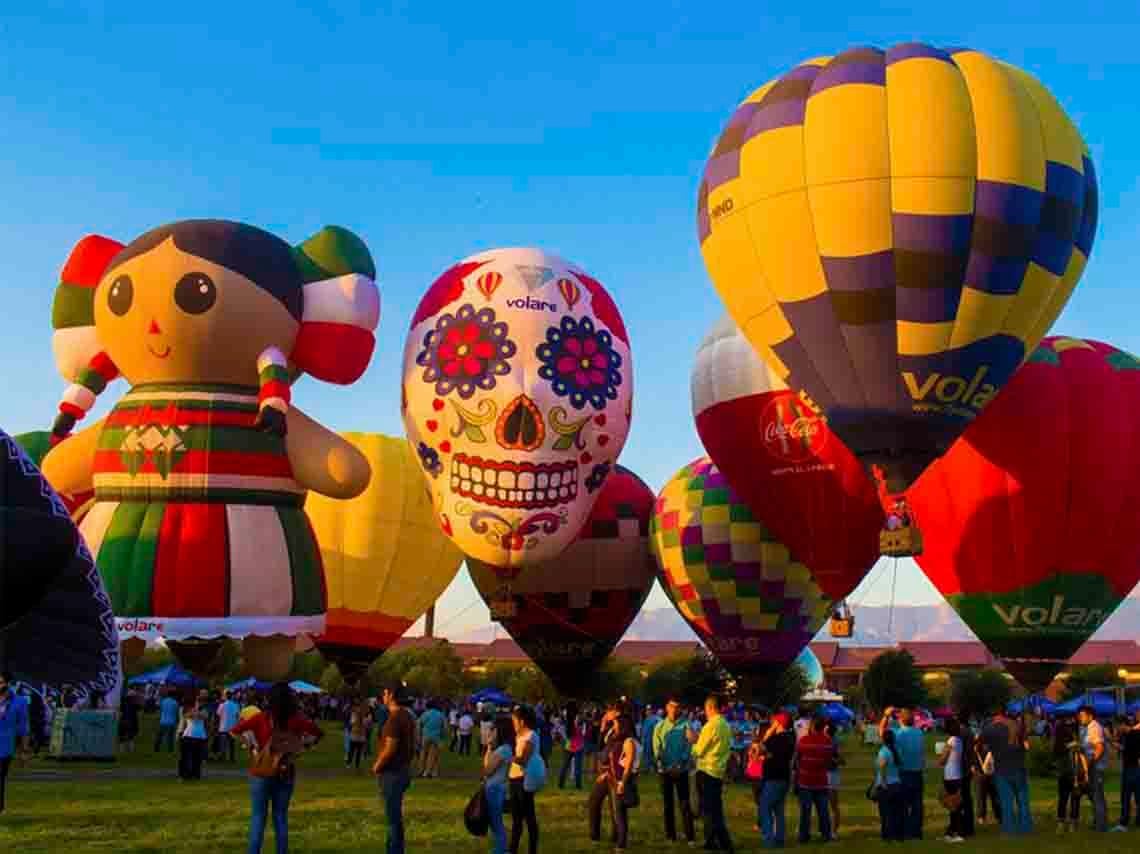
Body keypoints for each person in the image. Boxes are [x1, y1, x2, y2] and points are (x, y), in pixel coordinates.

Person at [231, 682, 323, 854]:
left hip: (261, 771)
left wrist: (251, 747)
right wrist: (303, 748)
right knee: (280, 817)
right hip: (285, 770)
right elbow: (318, 733)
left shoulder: (261, 717)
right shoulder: (296, 719)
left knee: (258, 817)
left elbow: (234, 731)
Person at [372, 684, 416, 854]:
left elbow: (390, 747)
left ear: (391, 695)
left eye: (384, 693)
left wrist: (377, 765)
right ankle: (397, 849)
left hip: (392, 772)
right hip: (403, 769)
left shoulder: (395, 718)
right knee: (395, 817)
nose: (382, 696)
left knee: (393, 818)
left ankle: (394, 850)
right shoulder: (408, 715)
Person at [688, 693, 735, 853]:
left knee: (713, 812)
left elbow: (699, 751)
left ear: (709, 707)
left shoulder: (710, 725)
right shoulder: (725, 725)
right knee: (711, 810)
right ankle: (710, 841)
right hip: (718, 771)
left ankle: (725, 844)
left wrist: (693, 741)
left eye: (705, 708)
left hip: (707, 771)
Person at [981, 708, 1031, 835]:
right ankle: (1025, 828)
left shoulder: (989, 729)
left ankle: (1009, 829)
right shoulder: (1018, 726)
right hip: (1018, 767)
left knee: (1006, 802)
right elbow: (1026, 746)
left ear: (995, 716)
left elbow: (983, 745)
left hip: (1001, 769)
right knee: (1023, 801)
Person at [653, 697, 695, 844]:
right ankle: (670, 835)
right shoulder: (659, 726)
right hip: (665, 771)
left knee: (684, 803)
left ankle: (690, 836)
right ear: (667, 707)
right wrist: (664, 765)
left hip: (681, 770)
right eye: (672, 706)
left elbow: (688, 746)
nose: (675, 710)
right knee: (668, 804)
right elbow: (657, 748)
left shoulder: (686, 724)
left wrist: (680, 763)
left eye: (678, 707)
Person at [881, 707, 926, 840]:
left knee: (903, 805)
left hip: (903, 772)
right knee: (917, 804)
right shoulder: (919, 733)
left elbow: (882, 733)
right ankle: (916, 832)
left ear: (900, 719)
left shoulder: (898, 734)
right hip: (917, 772)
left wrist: (886, 716)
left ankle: (904, 831)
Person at [758, 711, 795, 848]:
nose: (771, 723)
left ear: (778, 723)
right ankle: (780, 839)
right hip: (784, 777)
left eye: (774, 721)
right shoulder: (790, 738)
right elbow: (772, 755)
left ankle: (769, 840)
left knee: (765, 808)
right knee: (779, 810)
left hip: (773, 778)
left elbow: (759, 747)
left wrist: (768, 733)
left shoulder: (775, 739)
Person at [795, 715, 833, 844]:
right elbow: (828, 761)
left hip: (805, 780)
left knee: (805, 811)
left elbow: (798, 758)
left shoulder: (804, 740)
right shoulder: (827, 741)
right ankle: (826, 834)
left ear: (811, 726)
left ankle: (804, 835)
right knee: (823, 810)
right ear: (823, 727)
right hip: (821, 780)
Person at [508, 704, 540, 854]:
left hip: (524, 780)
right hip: (514, 778)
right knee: (516, 818)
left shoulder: (531, 736)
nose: (513, 724)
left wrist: (505, 757)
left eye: (514, 720)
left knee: (529, 816)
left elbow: (523, 759)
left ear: (521, 721)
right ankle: (512, 849)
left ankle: (532, 849)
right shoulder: (519, 736)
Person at [483, 717, 514, 854]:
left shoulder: (503, 750)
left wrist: (489, 747)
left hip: (495, 789)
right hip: (495, 788)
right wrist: (490, 747)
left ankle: (501, 850)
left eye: (493, 729)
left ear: (500, 731)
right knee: (495, 822)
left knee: (496, 823)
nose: (490, 731)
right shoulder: (503, 749)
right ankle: (501, 848)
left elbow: (487, 770)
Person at [0, 672, 29, 815]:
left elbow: (23, 727)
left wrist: (23, 751)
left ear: (7, 684)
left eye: (0, 682)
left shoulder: (19, 702)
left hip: (4, 746)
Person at [1078, 705, 1109, 831]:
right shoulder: (1086, 728)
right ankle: (1098, 821)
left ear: (1090, 716)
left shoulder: (1094, 728)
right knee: (1093, 795)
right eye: (1079, 716)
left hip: (1096, 766)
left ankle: (1101, 826)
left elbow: (1099, 748)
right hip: (1091, 766)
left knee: (1097, 796)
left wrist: (1091, 763)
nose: (1080, 718)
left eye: (1082, 715)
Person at [938, 718, 967, 842]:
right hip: (957, 775)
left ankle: (958, 833)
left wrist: (940, 755)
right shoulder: (959, 740)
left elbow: (943, 760)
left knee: (953, 806)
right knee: (954, 805)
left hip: (951, 776)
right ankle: (951, 832)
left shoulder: (951, 741)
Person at [1112, 709, 1140, 831]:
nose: (1116, 729)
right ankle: (1129, 821)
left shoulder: (1134, 735)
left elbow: (1132, 752)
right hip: (1129, 769)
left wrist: (1119, 747)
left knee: (1127, 796)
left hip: (1133, 770)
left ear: (1122, 724)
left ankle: (1124, 822)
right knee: (1130, 797)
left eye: (1116, 726)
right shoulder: (1126, 736)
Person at [1053, 717, 1081, 833]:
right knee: (1070, 798)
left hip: (1069, 772)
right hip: (1069, 772)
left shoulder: (1061, 742)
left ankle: (1064, 822)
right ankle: (1068, 822)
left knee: (1066, 798)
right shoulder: (1070, 741)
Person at [877, 729, 905, 842]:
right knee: (897, 812)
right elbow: (900, 764)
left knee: (885, 813)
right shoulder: (897, 750)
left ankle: (887, 836)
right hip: (897, 784)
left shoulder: (883, 751)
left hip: (886, 785)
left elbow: (882, 766)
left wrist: (883, 782)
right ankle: (898, 835)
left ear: (883, 739)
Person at [178, 694, 209, 781]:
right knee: (185, 757)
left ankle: (195, 774)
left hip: (200, 736)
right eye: (198, 701)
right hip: (188, 735)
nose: (199, 703)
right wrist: (195, 712)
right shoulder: (188, 709)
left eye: (201, 702)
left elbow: (204, 716)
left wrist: (196, 713)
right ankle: (183, 775)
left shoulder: (205, 711)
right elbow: (187, 716)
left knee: (197, 758)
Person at [825, 720, 844, 841]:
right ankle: (831, 831)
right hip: (828, 773)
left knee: (832, 805)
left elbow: (840, 759)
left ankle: (833, 831)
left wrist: (834, 759)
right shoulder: (834, 740)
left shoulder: (833, 741)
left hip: (830, 773)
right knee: (831, 805)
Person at [418, 702, 445, 778]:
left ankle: (421, 770)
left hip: (426, 736)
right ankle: (428, 772)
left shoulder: (425, 714)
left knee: (423, 754)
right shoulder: (440, 714)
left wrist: (419, 735)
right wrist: (442, 736)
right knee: (432, 755)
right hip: (436, 737)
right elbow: (444, 727)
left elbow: (419, 723)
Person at [560, 711, 586, 790]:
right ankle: (577, 785)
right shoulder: (580, 725)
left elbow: (566, 735)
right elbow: (583, 734)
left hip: (572, 747)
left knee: (567, 766)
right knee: (574, 767)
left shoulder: (573, 725)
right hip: (575, 748)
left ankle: (562, 784)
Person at [217, 691, 242, 763]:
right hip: (232, 727)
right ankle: (232, 758)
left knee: (223, 744)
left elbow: (218, 715)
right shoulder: (235, 705)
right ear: (231, 696)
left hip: (223, 727)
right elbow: (238, 716)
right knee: (232, 744)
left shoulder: (222, 705)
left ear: (225, 696)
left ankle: (222, 757)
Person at [347, 701, 370, 771]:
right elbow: (365, 724)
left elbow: (352, 723)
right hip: (357, 735)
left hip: (357, 735)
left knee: (354, 751)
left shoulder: (357, 715)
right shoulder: (357, 715)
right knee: (355, 751)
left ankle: (351, 764)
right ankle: (353, 764)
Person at [155, 688, 180, 753]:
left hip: (163, 721)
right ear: (174, 695)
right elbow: (176, 712)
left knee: (159, 736)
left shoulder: (163, 701)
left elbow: (160, 710)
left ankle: (156, 748)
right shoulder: (175, 702)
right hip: (171, 722)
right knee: (170, 738)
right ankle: (170, 750)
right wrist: (177, 721)